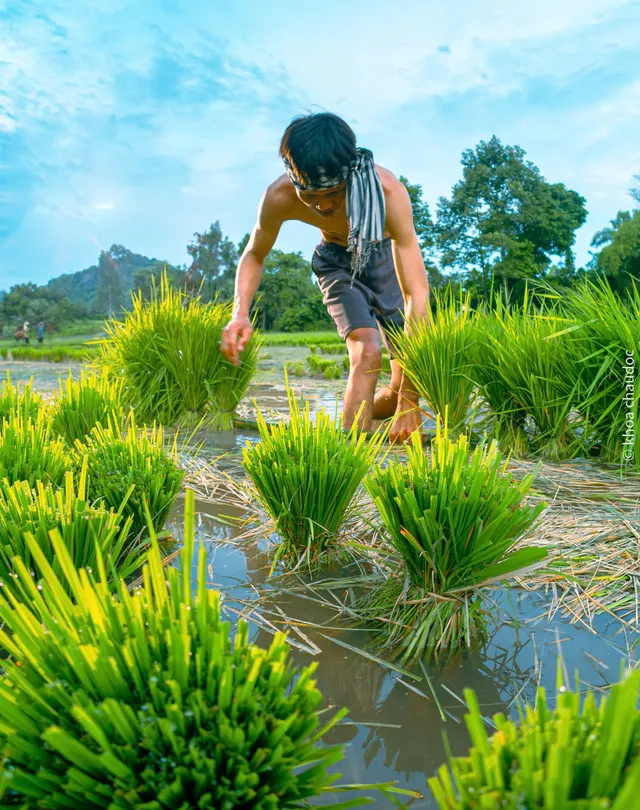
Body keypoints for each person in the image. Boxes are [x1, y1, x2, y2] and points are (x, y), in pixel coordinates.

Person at [220, 112, 430, 443]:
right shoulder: (280, 196)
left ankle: (370, 414)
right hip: (334, 261)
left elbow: (416, 295)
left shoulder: (388, 193)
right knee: (367, 350)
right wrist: (239, 313)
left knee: (402, 382)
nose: (322, 205)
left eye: (334, 193)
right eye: (311, 195)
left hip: (385, 257)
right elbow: (254, 254)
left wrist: (409, 400)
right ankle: (349, 459)